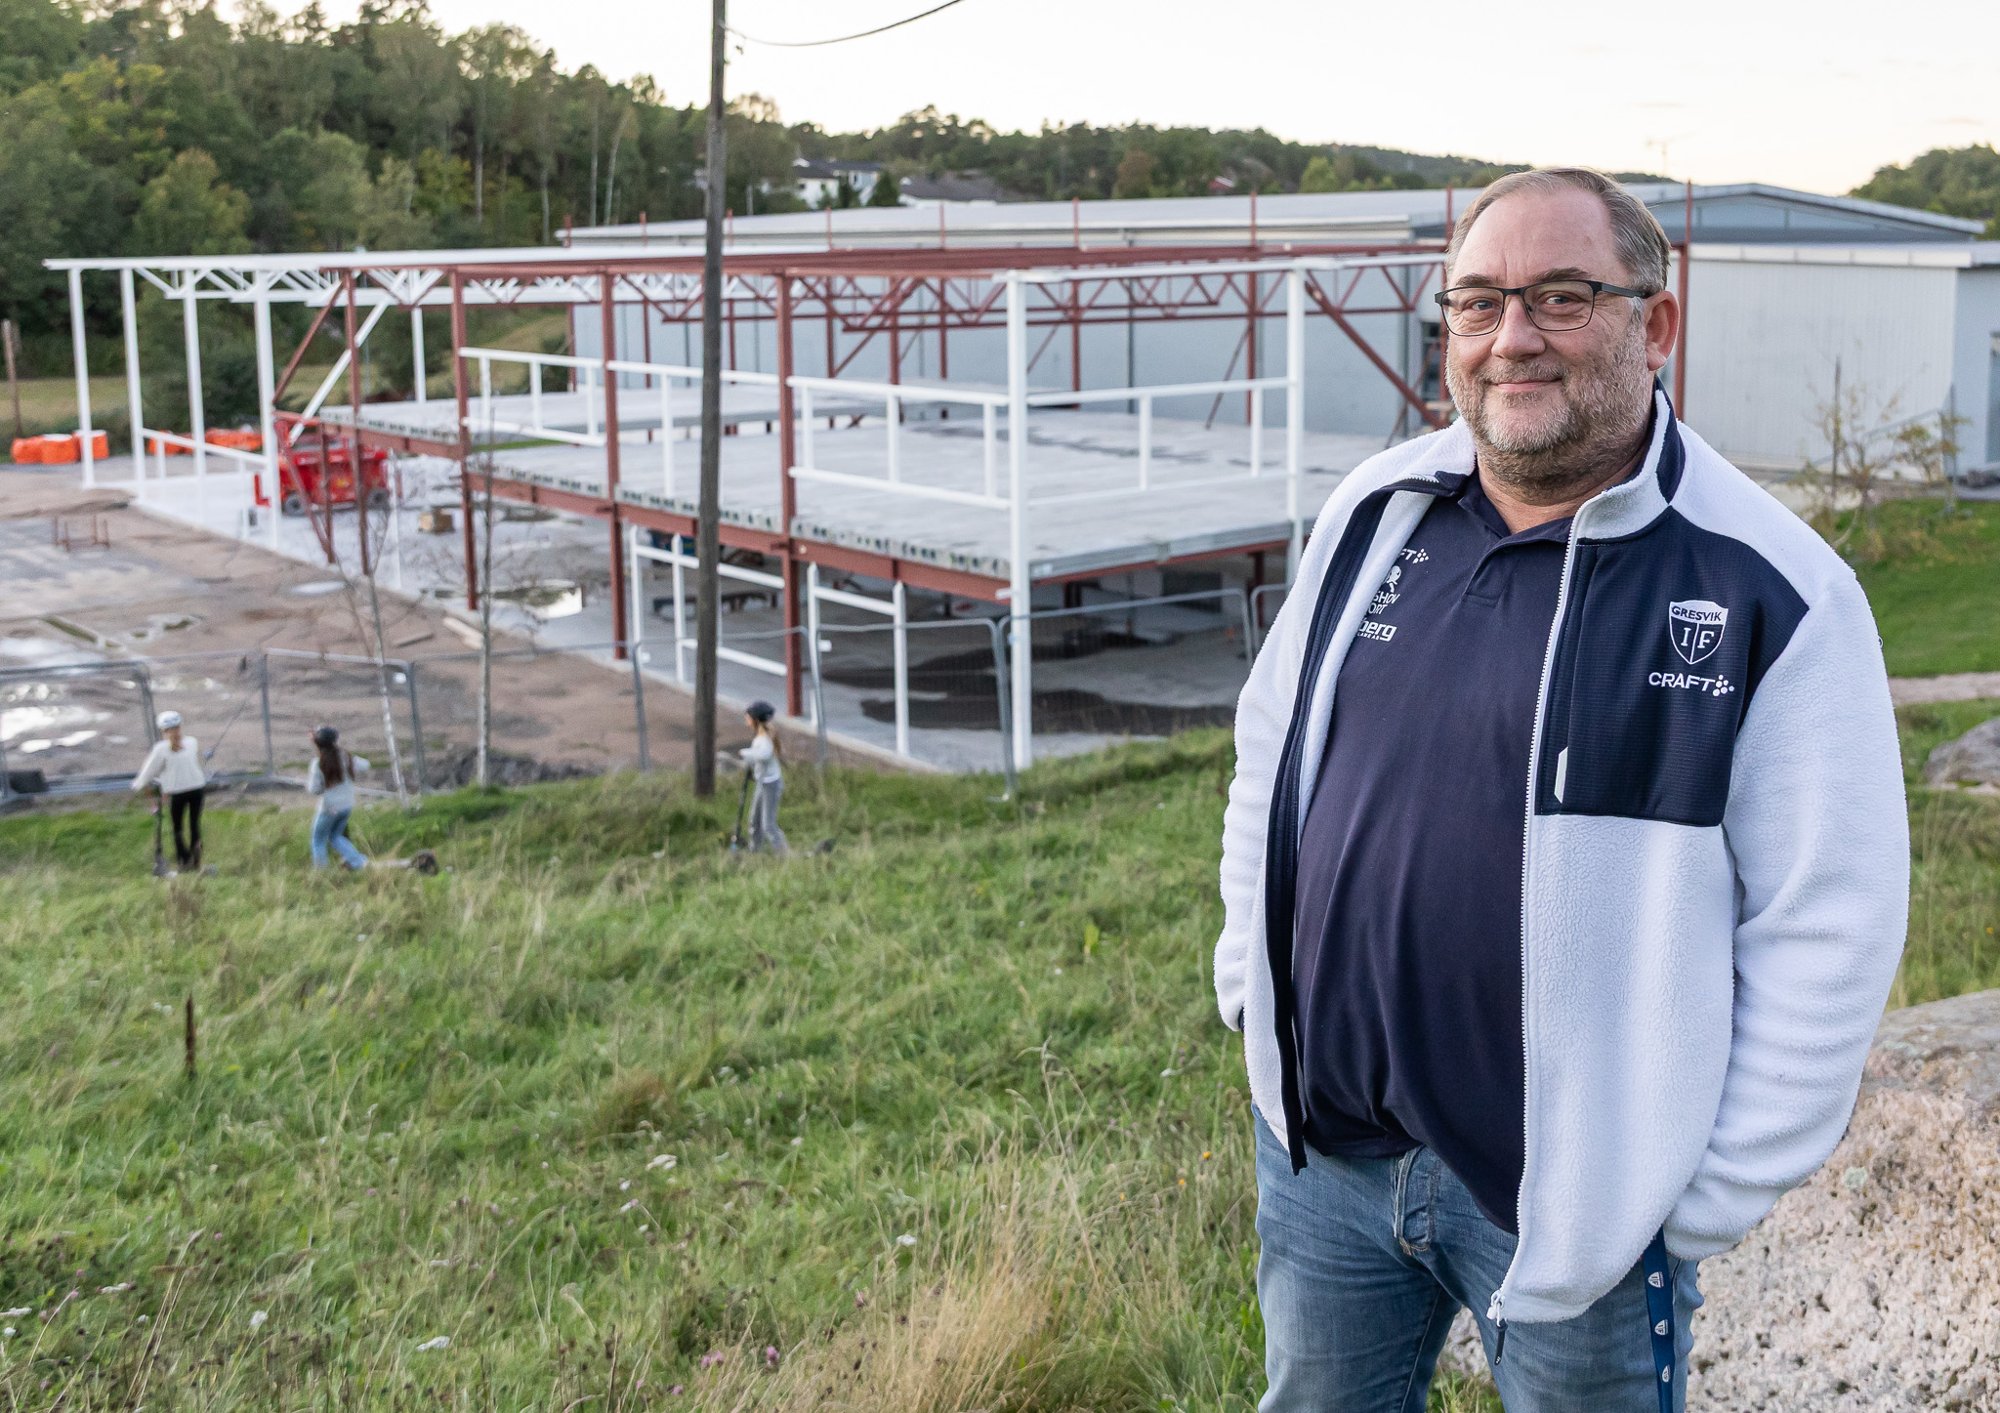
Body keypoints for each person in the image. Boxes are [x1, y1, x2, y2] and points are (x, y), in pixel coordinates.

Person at [1214, 167, 1909, 1412]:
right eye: (1476, 303)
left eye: (1559, 296)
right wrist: (1251, 994)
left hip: (1581, 1207)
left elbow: (1831, 917)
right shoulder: (1373, 514)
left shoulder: (1769, 586)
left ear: (1654, 325)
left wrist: (1684, 1198)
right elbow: (1268, 757)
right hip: (1326, 1163)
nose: (1510, 337)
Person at [132, 709, 208, 871]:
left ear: (163, 730)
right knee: (195, 825)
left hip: (177, 793)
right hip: (197, 789)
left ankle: (184, 861)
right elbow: (194, 764)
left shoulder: (161, 748)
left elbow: (149, 770)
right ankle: (197, 862)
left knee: (178, 828)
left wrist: (139, 784)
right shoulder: (192, 742)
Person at [305, 725, 370, 870]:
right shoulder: (346, 757)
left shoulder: (318, 764)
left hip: (329, 808)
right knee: (336, 837)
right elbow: (366, 765)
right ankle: (359, 862)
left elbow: (314, 790)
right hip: (346, 805)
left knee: (318, 840)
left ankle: (322, 872)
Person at [739, 700, 788, 854]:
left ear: (755, 719)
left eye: (748, 717)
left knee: (768, 825)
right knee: (754, 821)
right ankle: (755, 852)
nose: (745, 719)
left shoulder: (764, 739)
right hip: (763, 782)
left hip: (771, 785)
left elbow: (764, 755)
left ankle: (783, 856)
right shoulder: (760, 737)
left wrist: (745, 753)